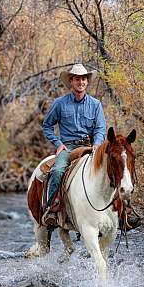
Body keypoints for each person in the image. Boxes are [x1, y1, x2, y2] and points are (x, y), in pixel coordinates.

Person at [41, 63, 106, 226]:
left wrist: (97, 144)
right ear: (71, 81)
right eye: (77, 79)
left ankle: (119, 211)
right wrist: (58, 143)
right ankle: (51, 210)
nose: (81, 82)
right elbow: (47, 125)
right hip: (68, 147)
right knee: (57, 171)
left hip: (90, 147)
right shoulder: (60, 103)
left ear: (87, 81)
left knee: (112, 168)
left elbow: (100, 128)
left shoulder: (95, 104)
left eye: (84, 79)